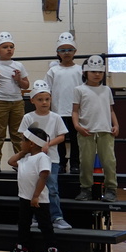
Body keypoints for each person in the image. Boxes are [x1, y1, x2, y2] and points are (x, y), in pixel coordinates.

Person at [20, 80, 69, 229]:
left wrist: (48, 144)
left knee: (52, 188)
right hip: (32, 160)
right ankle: (36, 216)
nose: (44, 102)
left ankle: (56, 217)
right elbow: (24, 135)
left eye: (47, 99)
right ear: (32, 100)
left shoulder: (56, 117)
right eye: (40, 100)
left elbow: (62, 136)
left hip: (51, 159)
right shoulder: (28, 117)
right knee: (34, 188)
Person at [5, 127, 59, 252]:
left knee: (45, 225)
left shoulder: (42, 157)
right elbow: (11, 162)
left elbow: (43, 176)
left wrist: (35, 196)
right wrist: (23, 152)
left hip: (39, 199)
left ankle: (52, 250)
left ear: (32, 143)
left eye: (23, 140)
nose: (21, 142)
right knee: (23, 224)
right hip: (24, 198)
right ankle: (22, 248)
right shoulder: (25, 158)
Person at [72, 55, 119, 202]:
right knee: (86, 162)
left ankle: (111, 189)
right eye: (93, 71)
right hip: (86, 131)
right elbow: (75, 110)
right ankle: (86, 189)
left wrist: (116, 125)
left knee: (109, 161)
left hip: (105, 130)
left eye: (99, 72)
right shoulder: (79, 90)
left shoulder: (106, 90)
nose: (97, 74)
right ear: (85, 72)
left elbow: (111, 110)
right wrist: (77, 126)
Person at [0, 31, 30, 171]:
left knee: (17, 133)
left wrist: (18, 80)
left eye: (11, 46)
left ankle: (19, 159)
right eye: (5, 47)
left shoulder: (19, 65)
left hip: (17, 102)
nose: (9, 49)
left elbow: (26, 85)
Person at [46, 32, 82, 174]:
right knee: (59, 139)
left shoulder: (80, 70)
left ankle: (75, 163)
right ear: (58, 53)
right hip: (57, 111)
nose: (66, 53)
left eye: (69, 50)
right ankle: (61, 163)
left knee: (75, 139)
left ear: (75, 51)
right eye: (62, 50)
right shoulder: (53, 71)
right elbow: (46, 91)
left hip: (75, 112)